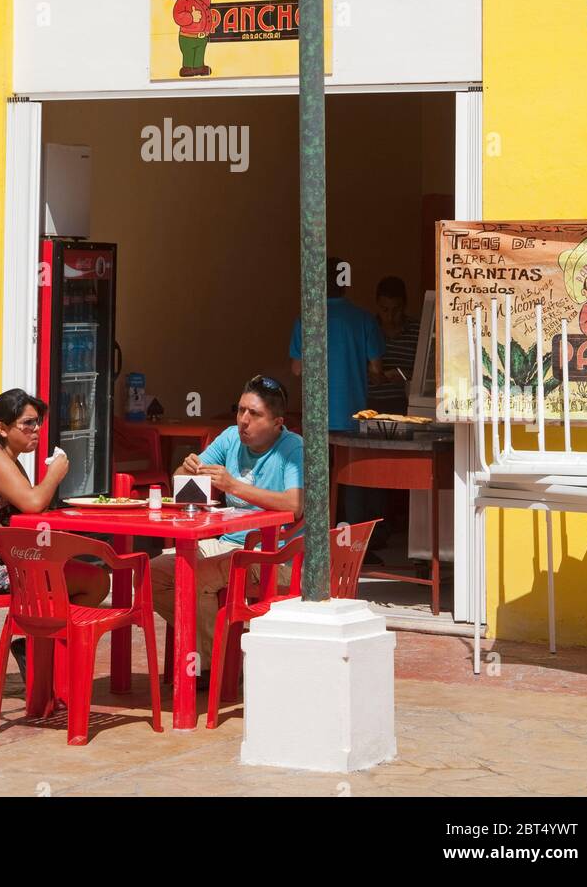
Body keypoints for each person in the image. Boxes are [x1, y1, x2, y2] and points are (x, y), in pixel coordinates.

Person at [150, 375, 302, 686]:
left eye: (255, 414)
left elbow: (295, 504)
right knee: (154, 573)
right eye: (241, 410)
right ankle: (219, 651)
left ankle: (210, 667)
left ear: (277, 423)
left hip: (273, 556)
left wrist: (232, 485)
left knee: (196, 578)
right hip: (227, 543)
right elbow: (185, 489)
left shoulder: (292, 447)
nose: (244, 421)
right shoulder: (230, 437)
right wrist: (186, 468)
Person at [0, 389, 109, 677]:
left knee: (93, 578)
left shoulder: (7, 458)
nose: (36, 429)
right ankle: (42, 650)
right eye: (27, 423)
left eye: (37, 422)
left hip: (10, 559)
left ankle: (39, 649)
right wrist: (54, 475)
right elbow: (33, 503)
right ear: (2, 428)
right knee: (96, 580)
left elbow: (30, 506)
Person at [289, 256, 385, 433]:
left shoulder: (306, 320)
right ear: (345, 284)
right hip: (355, 417)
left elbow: (297, 369)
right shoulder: (365, 319)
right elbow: (377, 370)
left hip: (315, 418)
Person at [366, 276, 420, 416]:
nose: (390, 316)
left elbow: (429, 374)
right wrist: (372, 375)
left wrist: (405, 375)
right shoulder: (367, 329)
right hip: (369, 404)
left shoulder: (418, 331)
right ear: (377, 304)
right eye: (385, 309)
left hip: (406, 404)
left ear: (405, 305)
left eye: (396, 309)